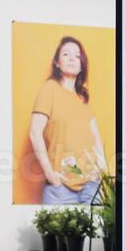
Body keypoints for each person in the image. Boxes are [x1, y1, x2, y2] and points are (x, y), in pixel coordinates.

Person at [29, 36, 108, 205]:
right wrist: (51, 175)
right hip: (60, 188)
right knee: (57, 232)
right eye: (66, 54)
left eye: (77, 56)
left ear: (82, 65)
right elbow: (35, 133)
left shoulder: (83, 99)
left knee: (97, 232)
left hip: (91, 187)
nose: (72, 58)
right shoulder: (49, 89)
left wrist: (103, 178)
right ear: (57, 63)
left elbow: (97, 142)